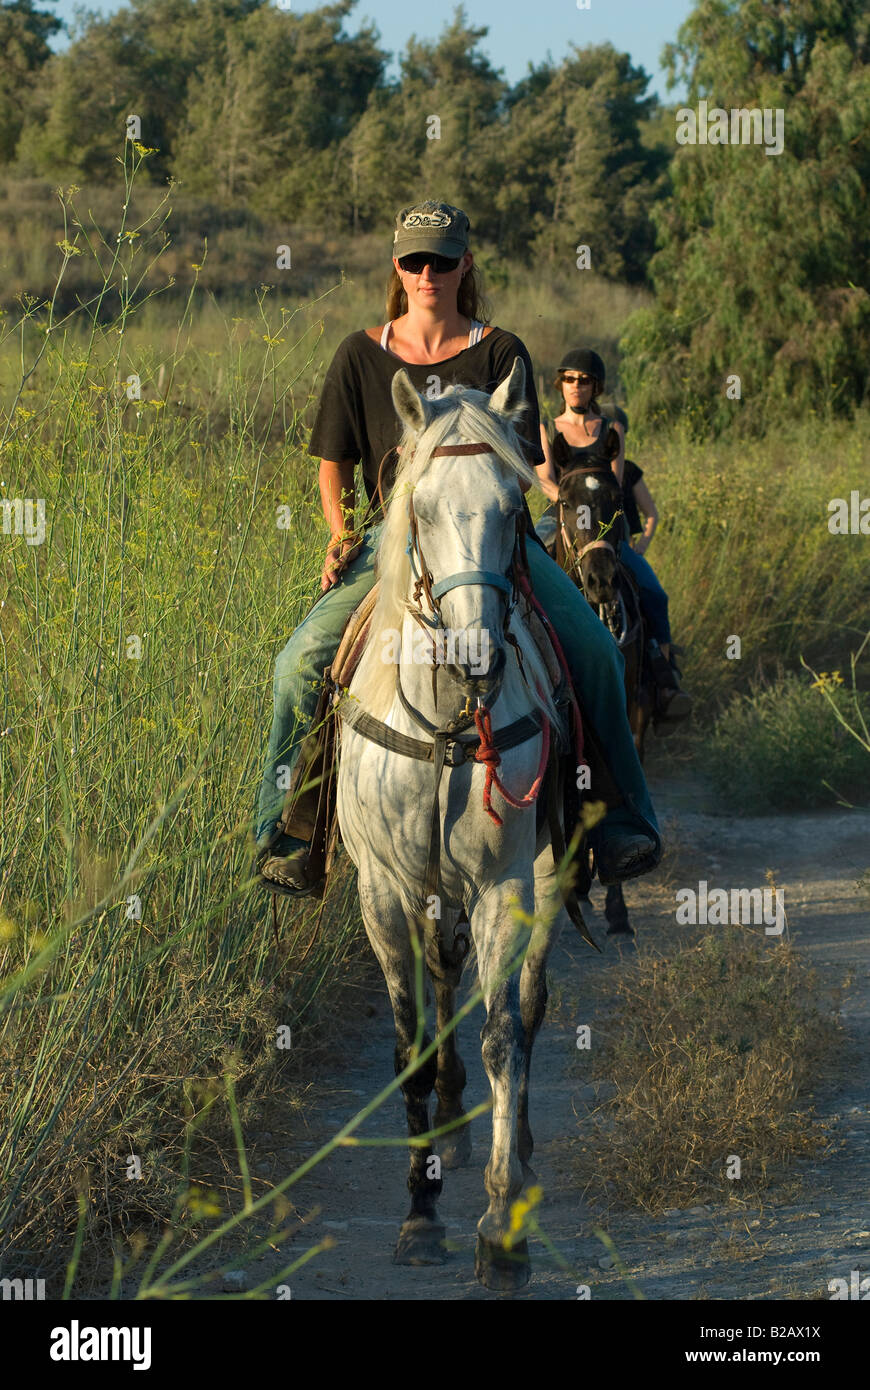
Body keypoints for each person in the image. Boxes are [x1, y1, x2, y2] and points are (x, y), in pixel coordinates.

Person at [255, 202, 662, 896]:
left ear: (464, 265)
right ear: (397, 266)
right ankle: (292, 831)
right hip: (397, 542)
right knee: (298, 663)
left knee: (594, 652)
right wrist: (340, 531)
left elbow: (522, 464)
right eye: (414, 260)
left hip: (496, 538)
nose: (427, 272)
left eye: (441, 260)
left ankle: (619, 819)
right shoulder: (359, 354)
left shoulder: (503, 352)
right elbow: (334, 462)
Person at [537, 350, 692, 725]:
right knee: (530, 568)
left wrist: (595, 506)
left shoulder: (611, 428)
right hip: (564, 513)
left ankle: (662, 674)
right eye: (570, 379)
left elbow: (616, 480)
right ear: (562, 384)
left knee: (653, 592)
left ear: (596, 387)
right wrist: (569, 501)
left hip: (604, 516)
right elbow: (544, 477)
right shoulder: (547, 425)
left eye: (584, 380)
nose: (577, 386)